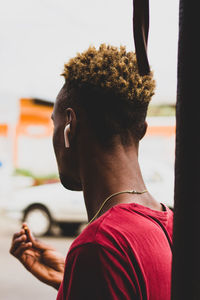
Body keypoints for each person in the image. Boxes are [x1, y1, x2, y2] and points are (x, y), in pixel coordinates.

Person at [10, 44, 173, 299]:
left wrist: (86, 268)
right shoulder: (172, 225)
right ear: (141, 130)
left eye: (55, 123)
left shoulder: (99, 247)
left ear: (70, 127)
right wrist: (69, 282)